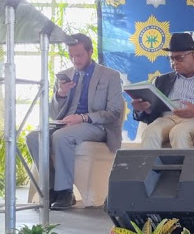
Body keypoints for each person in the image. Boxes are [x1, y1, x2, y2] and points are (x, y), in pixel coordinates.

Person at [27, 33, 123, 209]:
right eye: (71, 56)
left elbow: (114, 112)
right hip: (67, 123)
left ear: (90, 52)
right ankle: (51, 189)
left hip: (96, 125)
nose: (75, 60)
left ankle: (65, 192)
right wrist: (60, 94)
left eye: (79, 55)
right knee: (33, 136)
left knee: (61, 137)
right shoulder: (64, 75)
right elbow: (54, 113)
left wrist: (83, 117)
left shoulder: (110, 75)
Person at [132, 33, 194, 148]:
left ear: (193, 55)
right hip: (165, 119)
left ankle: (184, 167)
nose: (174, 63)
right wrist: (142, 110)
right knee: (150, 132)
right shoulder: (161, 80)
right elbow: (150, 115)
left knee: (179, 133)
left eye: (179, 58)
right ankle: (148, 166)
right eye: (171, 58)